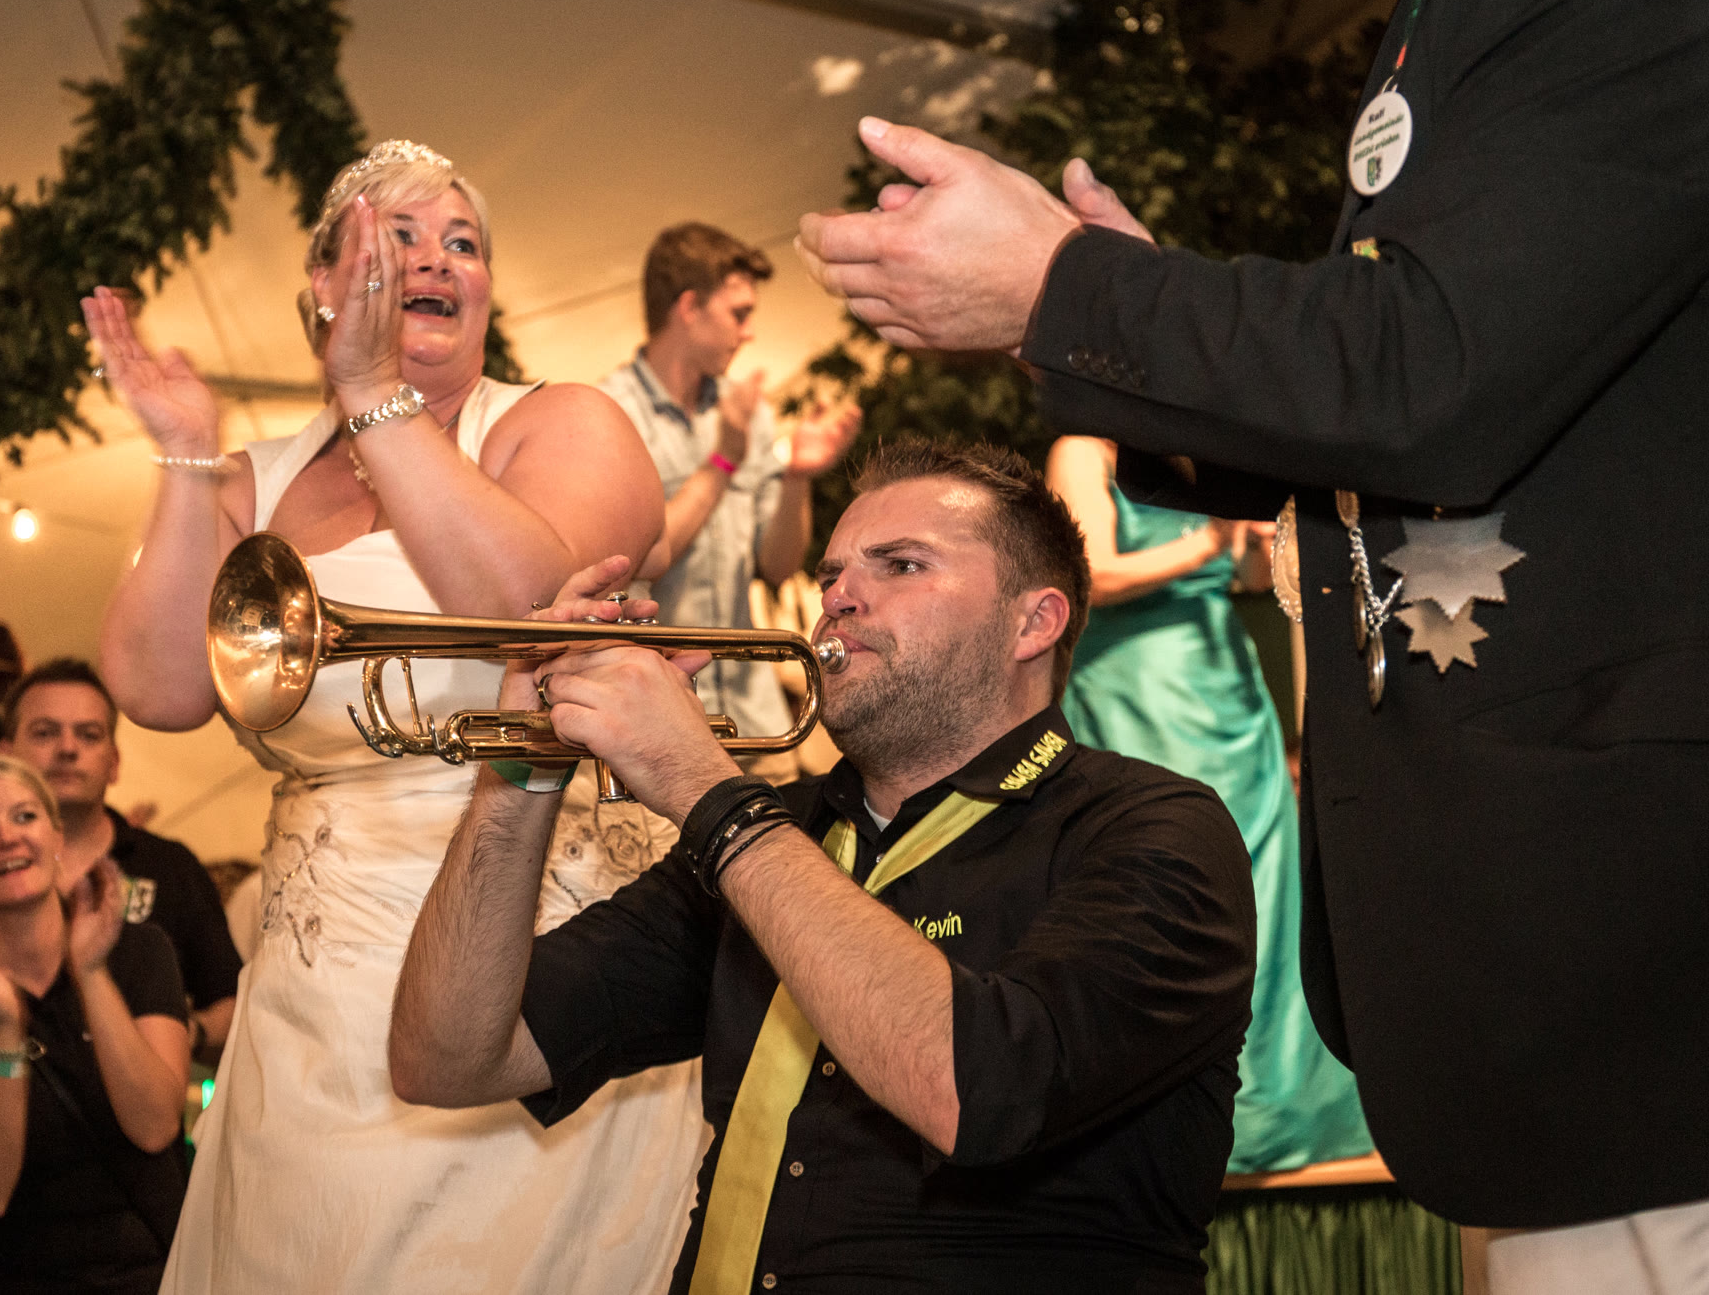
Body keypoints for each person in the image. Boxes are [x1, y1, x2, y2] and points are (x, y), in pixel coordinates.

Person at [795, 0, 1709, 1280]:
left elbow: (1433, 375)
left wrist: (1073, 291)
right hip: (1560, 942)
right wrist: (1097, 323)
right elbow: (1416, 396)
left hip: (1646, 935)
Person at [390, 439, 1257, 1293]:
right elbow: (448, 1057)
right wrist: (524, 767)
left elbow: (976, 1089)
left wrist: (705, 789)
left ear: (1034, 622)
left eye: (902, 565)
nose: (837, 596)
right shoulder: (777, 833)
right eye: (831, 573)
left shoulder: (1155, 828)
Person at [84, 138, 705, 1294]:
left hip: (527, 938)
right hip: (320, 983)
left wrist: (378, 399)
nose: (435, 260)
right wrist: (184, 456)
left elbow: (528, 616)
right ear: (323, 285)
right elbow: (157, 688)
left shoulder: (559, 423)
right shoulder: (253, 482)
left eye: (461, 243)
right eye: (398, 238)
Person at [1047, 435, 1369, 1174]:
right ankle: (1186, 1105)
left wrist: (1258, 549)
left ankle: (1278, 1101)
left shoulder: (1201, 453)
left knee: (1263, 876)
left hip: (1224, 674)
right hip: (1141, 682)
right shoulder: (1084, 453)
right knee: (1168, 880)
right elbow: (1088, 574)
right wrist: (1209, 542)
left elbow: (1245, 579)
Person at [0, 756, 189, 1295]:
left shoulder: (140, 952)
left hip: (153, 1277)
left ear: (56, 838)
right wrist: (4, 1028)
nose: (7, 838)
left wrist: (91, 974)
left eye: (24, 817)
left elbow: (155, 1128)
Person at [0, 661, 243, 1063]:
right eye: (45, 732)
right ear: (7, 752)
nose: (68, 748)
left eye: (89, 734)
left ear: (114, 762)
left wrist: (180, 1033)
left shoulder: (169, 867)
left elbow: (233, 1004)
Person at [596, 223, 861, 776]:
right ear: (689, 307)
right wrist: (723, 462)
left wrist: (796, 477)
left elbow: (778, 566)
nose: (748, 332)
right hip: (654, 726)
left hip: (755, 723)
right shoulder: (608, 412)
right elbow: (634, 561)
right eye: (739, 314)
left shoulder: (749, 413)